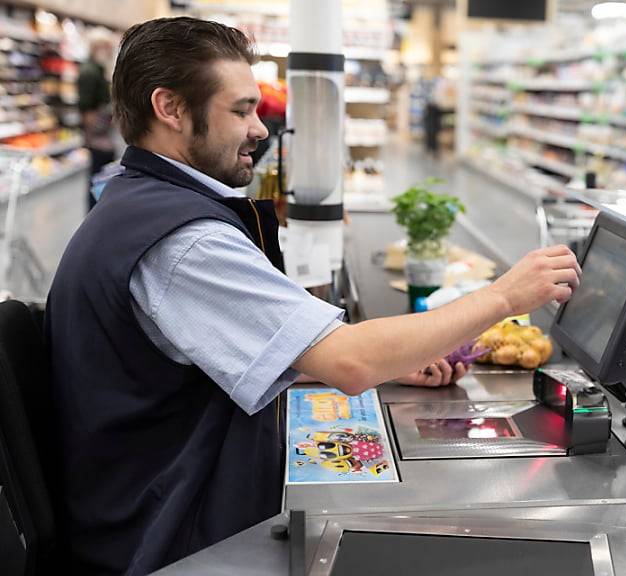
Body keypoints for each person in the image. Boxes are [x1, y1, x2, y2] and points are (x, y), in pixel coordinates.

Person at [45, 17, 581, 576]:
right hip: (170, 537)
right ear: (171, 109)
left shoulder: (142, 204)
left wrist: (374, 363)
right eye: (240, 109)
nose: (260, 128)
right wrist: (504, 295)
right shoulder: (183, 244)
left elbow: (204, 358)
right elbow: (350, 361)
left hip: (153, 499)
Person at [78, 29, 116, 210]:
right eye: (107, 47)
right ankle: (95, 210)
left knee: (102, 172)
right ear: (96, 47)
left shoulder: (99, 69)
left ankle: (99, 208)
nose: (109, 52)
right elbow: (86, 107)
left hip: (103, 130)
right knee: (97, 174)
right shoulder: (89, 71)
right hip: (97, 133)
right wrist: (93, 129)